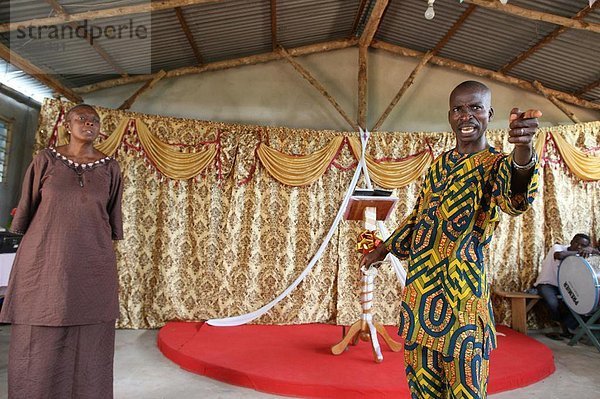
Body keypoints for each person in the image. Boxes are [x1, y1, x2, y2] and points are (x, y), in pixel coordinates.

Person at [361, 81, 541, 399]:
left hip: (464, 302)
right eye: (458, 108)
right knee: (422, 390)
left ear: (490, 113)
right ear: (449, 115)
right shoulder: (439, 166)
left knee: (466, 391)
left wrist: (523, 150)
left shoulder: (497, 165)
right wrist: (384, 248)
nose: (465, 115)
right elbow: (419, 219)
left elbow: (515, 200)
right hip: (421, 299)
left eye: (475, 107)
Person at [0, 104, 123, 398]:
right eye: (82, 118)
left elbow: (111, 216)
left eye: (94, 120)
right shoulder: (46, 160)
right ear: (67, 125)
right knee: (39, 323)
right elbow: (26, 210)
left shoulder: (110, 167)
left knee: (91, 333)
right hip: (45, 258)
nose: (89, 123)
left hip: (92, 260)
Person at [535, 233, 599, 339]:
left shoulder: (584, 255)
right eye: (576, 243)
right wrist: (580, 252)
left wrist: (593, 251)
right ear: (571, 242)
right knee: (552, 303)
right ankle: (557, 328)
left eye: (583, 246)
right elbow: (559, 255)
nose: (579, 246)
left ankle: (566, 328)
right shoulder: (558, 247)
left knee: (586, 304)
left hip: (565, 286)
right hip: (548, 284)